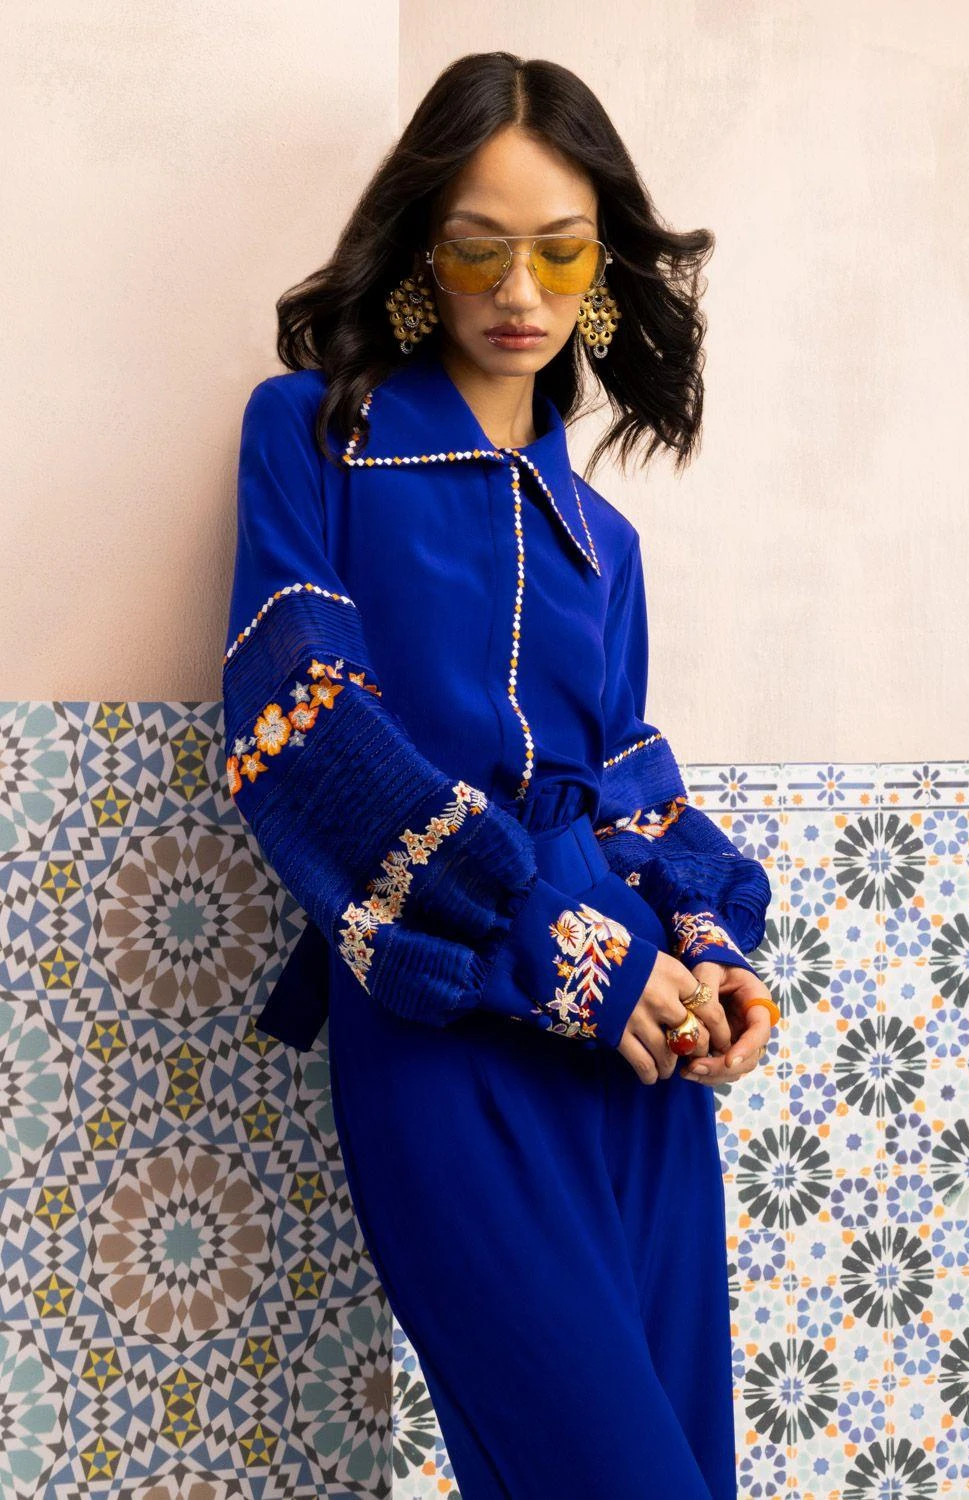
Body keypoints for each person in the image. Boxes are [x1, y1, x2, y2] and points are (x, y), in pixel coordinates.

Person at [221, 50, 778, 1500]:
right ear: (422, 248)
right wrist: (555, 941)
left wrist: (712, 959)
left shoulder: (607, 539)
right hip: (446, 1014)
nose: (519, 290)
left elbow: (633, 787)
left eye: (560, 251)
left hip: (641, 1049)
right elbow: (298, 723)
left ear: (603, 267)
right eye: (479, 247)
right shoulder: (314, 435)